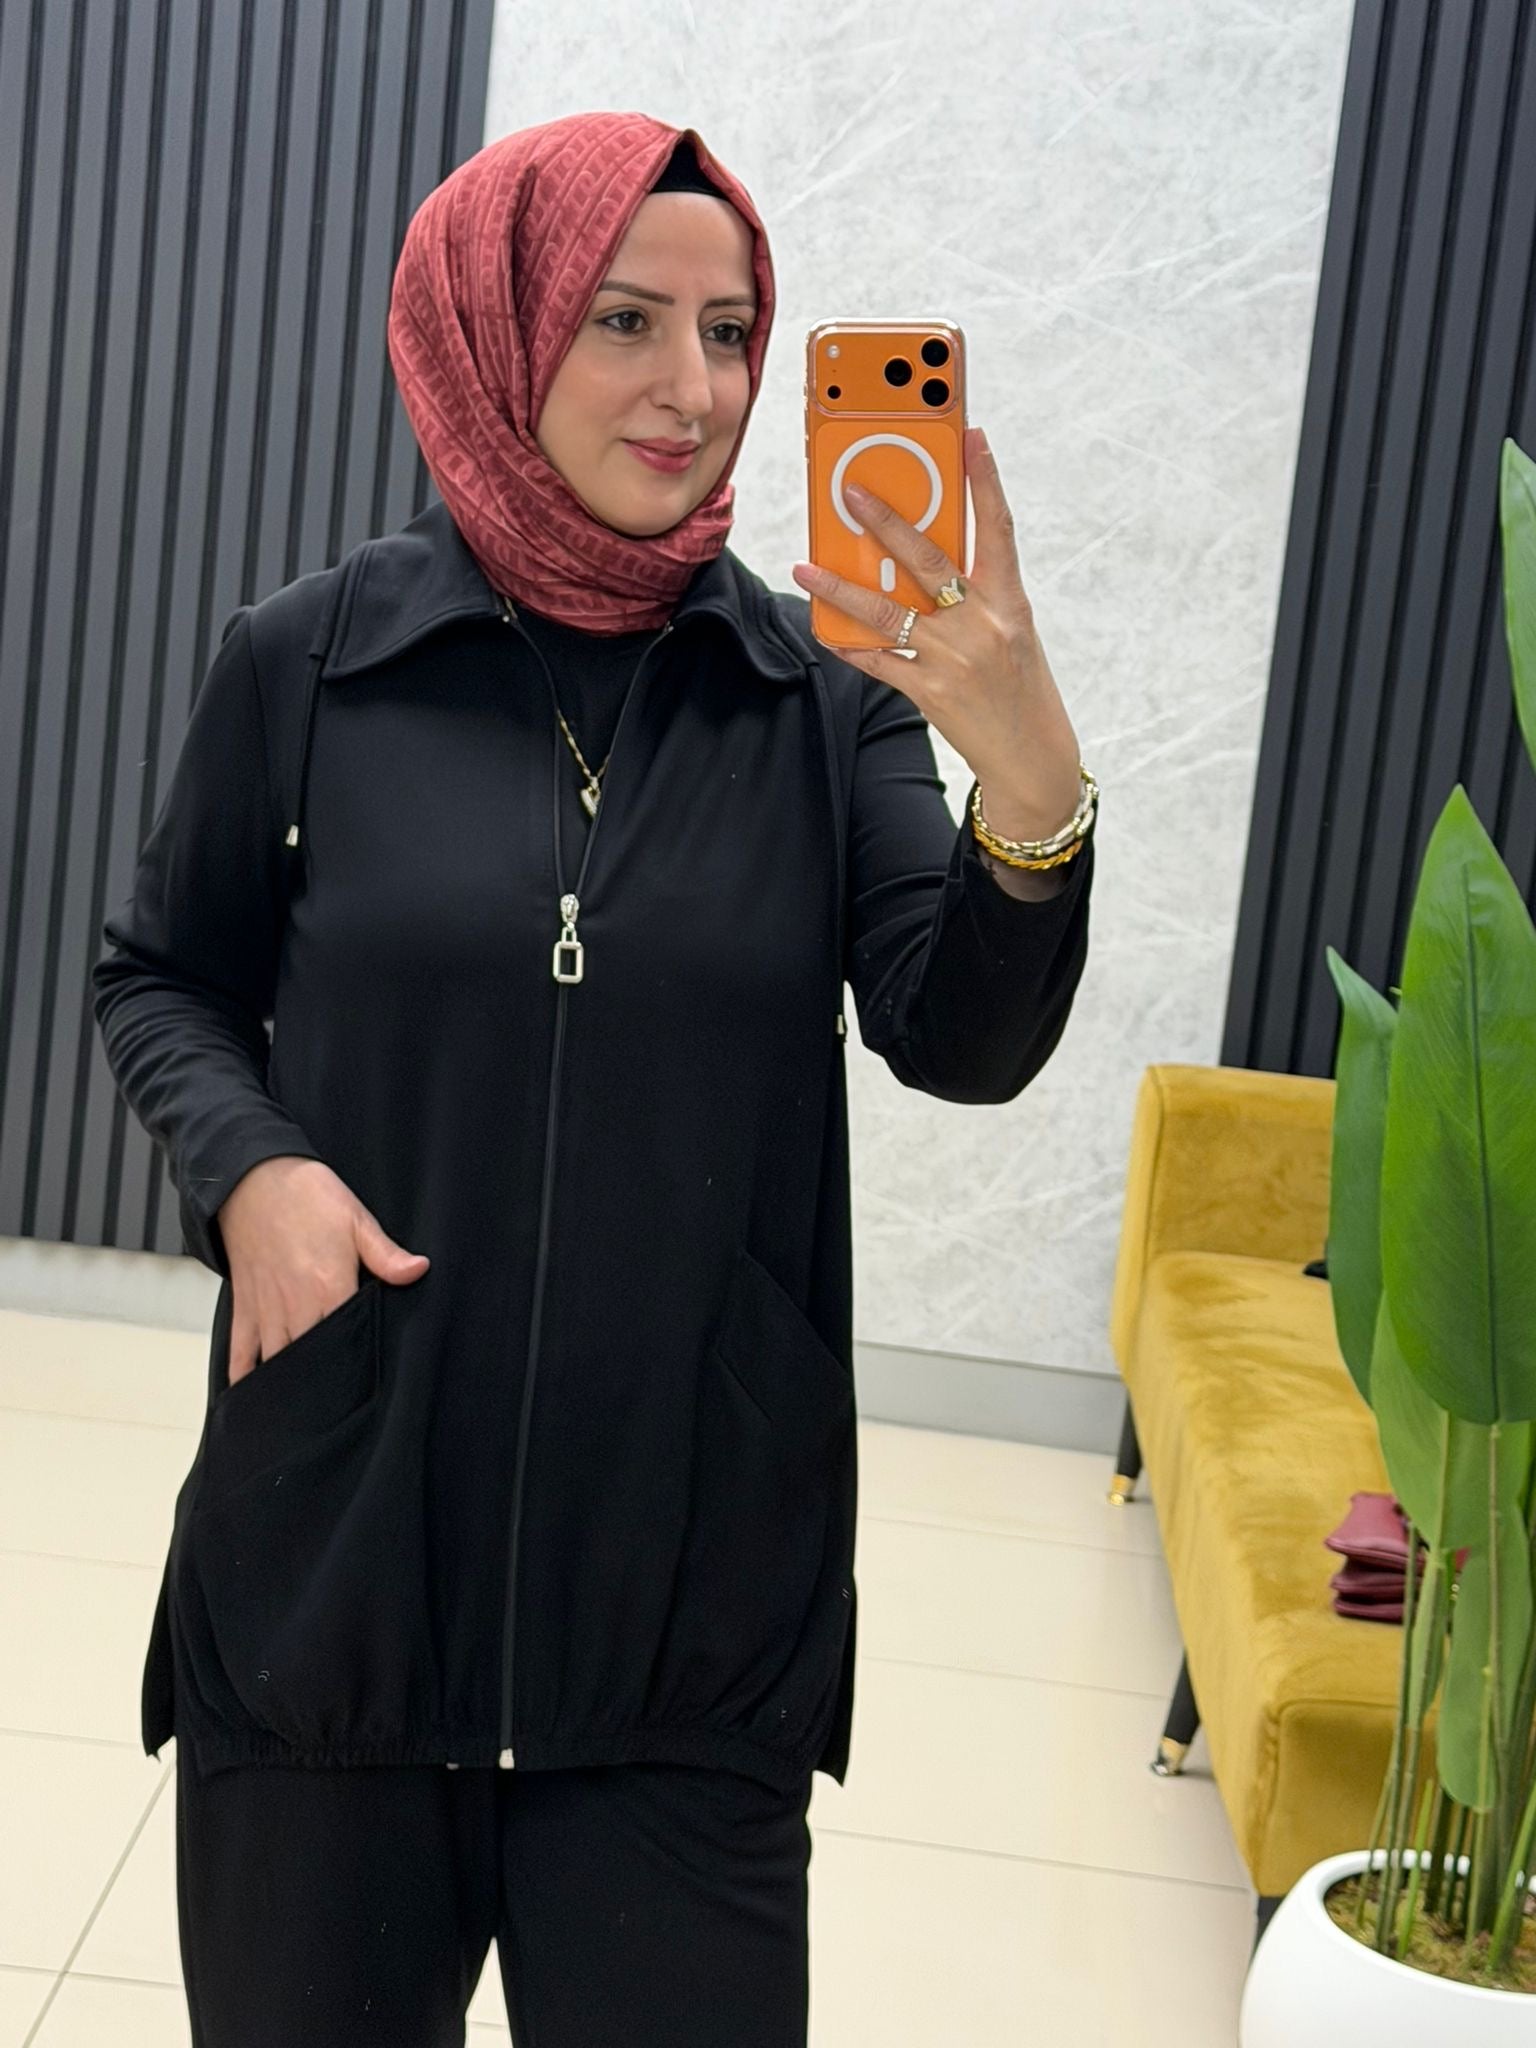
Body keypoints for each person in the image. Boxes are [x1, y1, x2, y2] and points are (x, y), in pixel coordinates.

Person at [91, 109, 1097, 2048]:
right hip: (338, 1607)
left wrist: (1032, 795)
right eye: (624, 319)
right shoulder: (309, 664)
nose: (693, 389)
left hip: (685, 1640)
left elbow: (960, 1034)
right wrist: (251, 1172)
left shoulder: (820, 699)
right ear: (497, 324)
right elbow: (164, 976)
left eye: (730, 333)